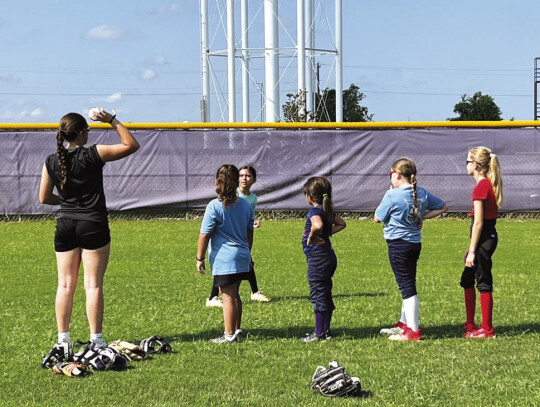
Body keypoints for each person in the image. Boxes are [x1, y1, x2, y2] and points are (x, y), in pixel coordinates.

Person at [39, 110, 140, 364]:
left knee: (65, 285)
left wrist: (67, 201)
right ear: (82, 132)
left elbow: (44, 197)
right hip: (93, 223)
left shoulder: (51, 160)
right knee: (92, 285)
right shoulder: (94, 153)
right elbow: (131, 145)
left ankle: (63, 341)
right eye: (88, 130)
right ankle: (96, 341)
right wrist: (112, 120)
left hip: (65, 224)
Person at [374, 158, 448, 341]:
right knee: (408, 282)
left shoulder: (392, 195)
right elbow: (443, 207)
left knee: (406, 287)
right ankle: (404, 323)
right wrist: (422, 217)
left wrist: (389, 194)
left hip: (398, 244)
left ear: (397, 175)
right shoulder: (420, 192)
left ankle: (413, 331)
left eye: (391, 174)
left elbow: (377, 217)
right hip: (414, 244)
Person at [197, 165, 254, 343]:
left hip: (225, 259)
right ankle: (236, 330)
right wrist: (248, 253)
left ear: (217, 182)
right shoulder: (245, 204)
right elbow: (249, 232)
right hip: (242, 255)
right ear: (236, 181)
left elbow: (205, 234)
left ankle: (228, 335)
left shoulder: (214, 206)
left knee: (227, 296)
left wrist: (199, 258)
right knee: (235, 294)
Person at [206, 165, 269, 307]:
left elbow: (247, 216)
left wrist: (252, 223)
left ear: (254, 179)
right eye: (241, 176)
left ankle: (253, 292)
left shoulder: (252, 198)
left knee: (245, 263)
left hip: (241, 236)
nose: (244, 179)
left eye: (247, 176)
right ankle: (214, 297)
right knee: (229, 267)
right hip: (229, 238)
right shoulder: (232, 195)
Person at [461, 146, 503, 339]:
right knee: (467, 279)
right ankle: (471, 324)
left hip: (484, 237)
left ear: (476, 165)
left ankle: (487, 329)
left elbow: (478, 223)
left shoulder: (481, 186)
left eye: (468, 161)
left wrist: (472, 251)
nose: (466, 165)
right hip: (484, 236)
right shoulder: (485, 184)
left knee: (483, 280)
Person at [301, 177, 346, 342]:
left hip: (317, 259)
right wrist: (327, 234)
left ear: (309, 196)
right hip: (328, 257)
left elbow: (317, 225)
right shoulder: (326, 210)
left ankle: (319, 333)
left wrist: (313, 236)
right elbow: (342, 224)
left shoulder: (315, 212)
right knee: (325, 293)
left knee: (318, 294)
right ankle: (326, 331)